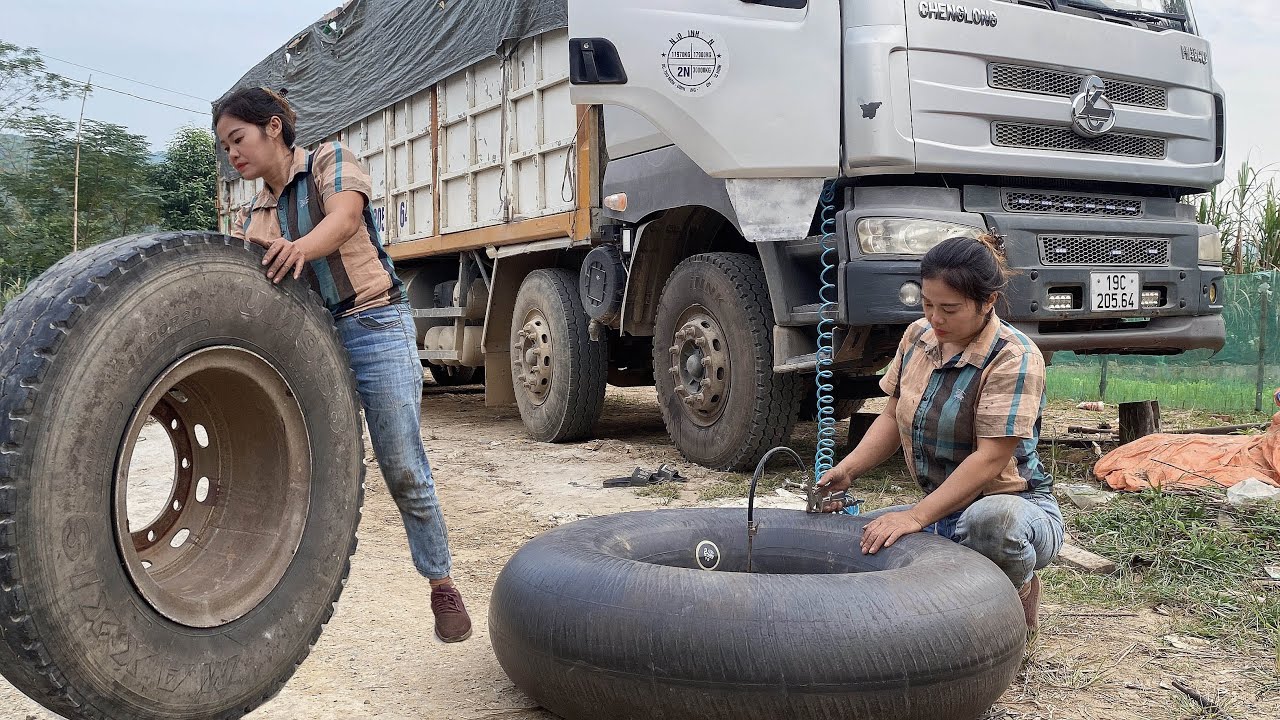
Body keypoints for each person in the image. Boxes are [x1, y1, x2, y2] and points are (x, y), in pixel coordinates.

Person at [213, 87, 471, 643]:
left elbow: (347, 220)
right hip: (313, 341)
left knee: (401, 463)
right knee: (285, 463)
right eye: (225, 146)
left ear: (273, 128)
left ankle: (441, 581)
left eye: (238, 139)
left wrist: (301, 247)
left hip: (375, 324)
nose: (232, 154)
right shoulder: (257, 211)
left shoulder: (332, 160)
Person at [816, 235, 1064, 631]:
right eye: (928, 304)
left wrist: (914, 517)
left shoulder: (1015, 357)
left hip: (1017, 507)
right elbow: (893, 414)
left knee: (991, 523)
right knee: (851, 543)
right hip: (943, 508)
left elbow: (991, 458)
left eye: (950, 308)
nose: (935, 318)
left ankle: (1014, 594)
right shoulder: (917, 337)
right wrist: (847, 471)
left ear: (988, 302)